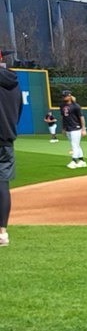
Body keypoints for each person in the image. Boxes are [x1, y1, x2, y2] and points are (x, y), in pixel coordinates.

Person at [0, 51, 22, 247]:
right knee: (3, 185)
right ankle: (3, 234)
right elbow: (19, 110)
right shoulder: (14, 81)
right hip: (6, 138)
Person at [61, 90, 87, 169]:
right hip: (68, 128)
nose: (64, 97)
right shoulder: (62, 106)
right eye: (63, 96)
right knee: (76, 145)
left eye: (65, 96)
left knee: (74, 145)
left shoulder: (76, 106)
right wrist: (63, 128)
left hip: (76, 127)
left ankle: (74, 161)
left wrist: (83, 129)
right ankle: (82, 161)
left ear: (69, 96)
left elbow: (81, 117)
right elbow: (63, 117)